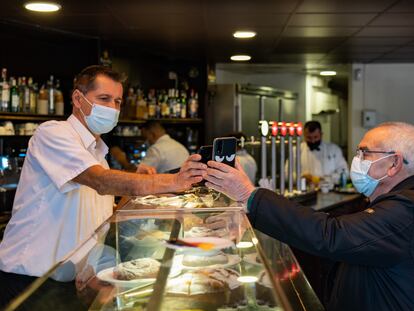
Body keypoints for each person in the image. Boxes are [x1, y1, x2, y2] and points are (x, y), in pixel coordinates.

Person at [0, 65, 205, 307]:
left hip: (71, 280)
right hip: (30, 279)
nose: (112, 108)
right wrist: (173, 181)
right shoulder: (53, 133)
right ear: (78, 98)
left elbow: (108, 217)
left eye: (117, 101)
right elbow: (100, 181)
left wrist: (148, 204)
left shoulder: (99, 153)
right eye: (104, 99)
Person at [204, 122, 414, 311]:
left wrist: (250, 196)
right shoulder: (394, 201)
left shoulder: (405, 208)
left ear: (394, 163)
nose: (356, 161)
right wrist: (250, 211)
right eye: (357, 153)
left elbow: (332, 234)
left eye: (364, 153)